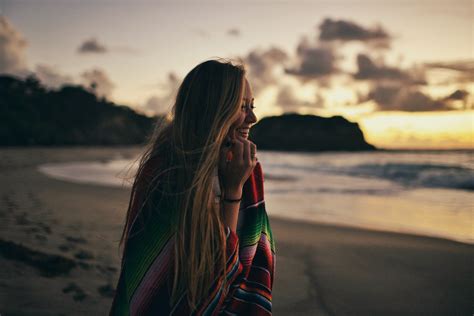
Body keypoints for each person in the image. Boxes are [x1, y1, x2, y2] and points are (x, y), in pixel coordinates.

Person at [110, 59, 275, 315]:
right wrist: (232, 193)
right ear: (213, 109)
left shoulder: (248, 171)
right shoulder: (166, 174)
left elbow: (245, 271)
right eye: (242, 107)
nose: (252, 118)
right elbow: (208, 278)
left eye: (252, 106)